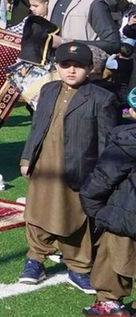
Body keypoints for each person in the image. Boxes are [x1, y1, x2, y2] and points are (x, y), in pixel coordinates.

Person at [18, 42, 121, 290]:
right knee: (37, 212)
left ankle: (78, 266)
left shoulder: (102, 98)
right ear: (57, 67)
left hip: (80, 168)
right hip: (44, 164)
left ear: (90, 68)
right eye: (66, 65)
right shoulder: (48, 90)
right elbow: (37, 128)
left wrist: (103, 177)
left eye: (78, 66)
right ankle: (35, 259)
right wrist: (26, 159)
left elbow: (108, 141)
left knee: (75, 217)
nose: (71, 71)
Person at [79, 114, 136, 317]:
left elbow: (103, 177)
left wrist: (94, 207)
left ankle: (108, 301)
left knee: (110, 256)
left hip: (125, 212)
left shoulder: (128, 139)